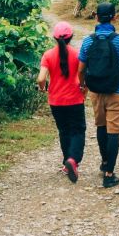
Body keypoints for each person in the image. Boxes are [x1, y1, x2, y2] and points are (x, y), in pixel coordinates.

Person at [78, 2, 119, 188]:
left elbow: (81, 69)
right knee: (114, 131)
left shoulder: (88, 41)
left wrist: (83, 85)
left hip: (96, 91)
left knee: (101, 126)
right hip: (116, 91)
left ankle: (104, 162)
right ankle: (109, 174)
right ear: (114, 17)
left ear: (96, 17)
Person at [37, 21, 86, 183]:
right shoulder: (78, 54)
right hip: (75, 99)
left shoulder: (48, 55)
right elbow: (83, 75)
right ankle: (73, 159)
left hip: (56, 101)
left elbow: (41, 78)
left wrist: (43, 88)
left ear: (54, 38)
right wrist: (84, 89)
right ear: (71, 37)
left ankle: (67, 163)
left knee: (64, 131)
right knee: (78, 130)